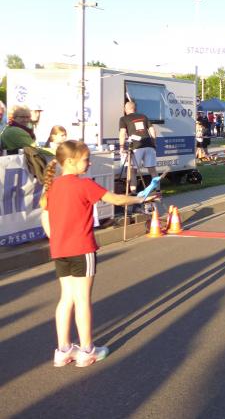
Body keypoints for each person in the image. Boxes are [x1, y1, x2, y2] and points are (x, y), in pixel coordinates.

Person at [40, 140, 158, 367]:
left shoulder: (52, 186)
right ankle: (87, 350)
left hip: (60, 250)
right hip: (82, 249)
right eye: (86, 159)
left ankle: (63, 350)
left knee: (66, 298)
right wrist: (141, 198)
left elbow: (45, 217)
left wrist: (55, 239)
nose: (89, 163)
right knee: (82, 299)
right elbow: (116, 199)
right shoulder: (84, 185)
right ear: (71, 161)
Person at [118, 101, 158, 183]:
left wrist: (121, 147)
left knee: (133, 171)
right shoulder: (144, 116)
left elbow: (122, 133)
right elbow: (152, 130)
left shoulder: (123, 119)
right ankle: (157, 189)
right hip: (149, 145)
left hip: (136, 147)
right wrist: (153, 143)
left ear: (125, 109)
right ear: (135, 109)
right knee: (152, 170)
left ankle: (133, 190)